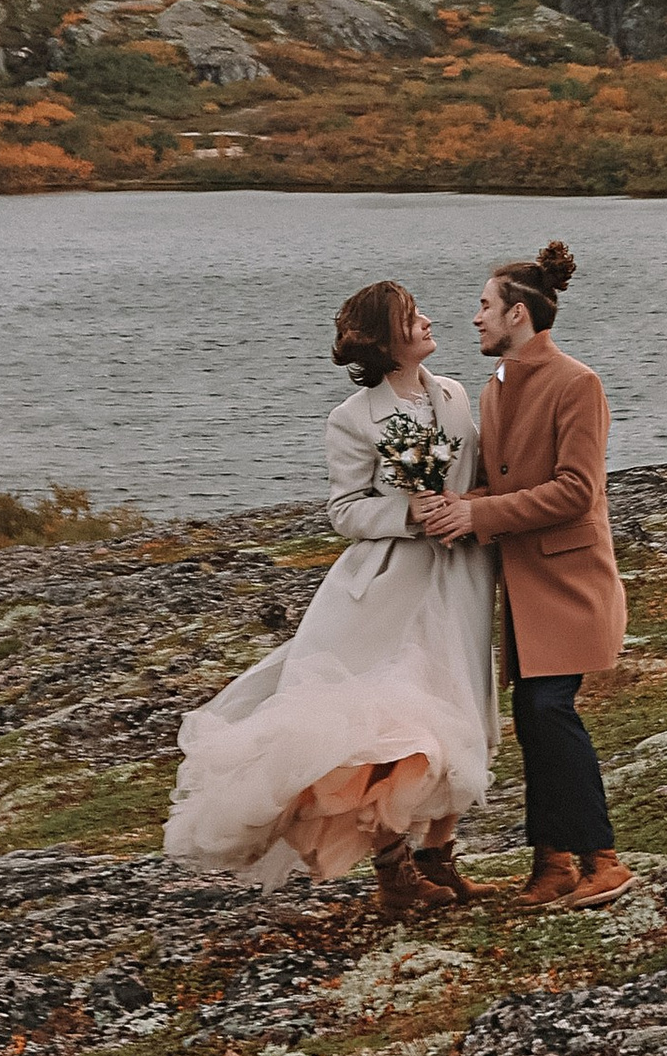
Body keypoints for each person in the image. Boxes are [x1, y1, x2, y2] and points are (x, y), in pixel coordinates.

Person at [162, 277, 497, 920]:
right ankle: (393, 872)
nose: (429, 319)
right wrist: (410, 512)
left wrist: (469, 507)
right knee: (391, 729)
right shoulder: (351, 419)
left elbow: (475, 479)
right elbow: (345, 512)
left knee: (461, 709)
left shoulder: (454, 394)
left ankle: (441, 858)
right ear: (387, 338)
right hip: (385, 587)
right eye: (412, 315)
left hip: (459, 579)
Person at [413, 238, 631, 912]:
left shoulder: (578, 382)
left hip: (571, 584)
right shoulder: (497, 386)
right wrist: (453, 505)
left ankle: (604, 859)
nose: (474, 317)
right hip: (526, 590)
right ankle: (552, 865)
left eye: (484, 306)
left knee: (548, 710)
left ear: (517, 315)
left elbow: (574, 491)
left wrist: (476, 516)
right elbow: (497, 482)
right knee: (534, 719)